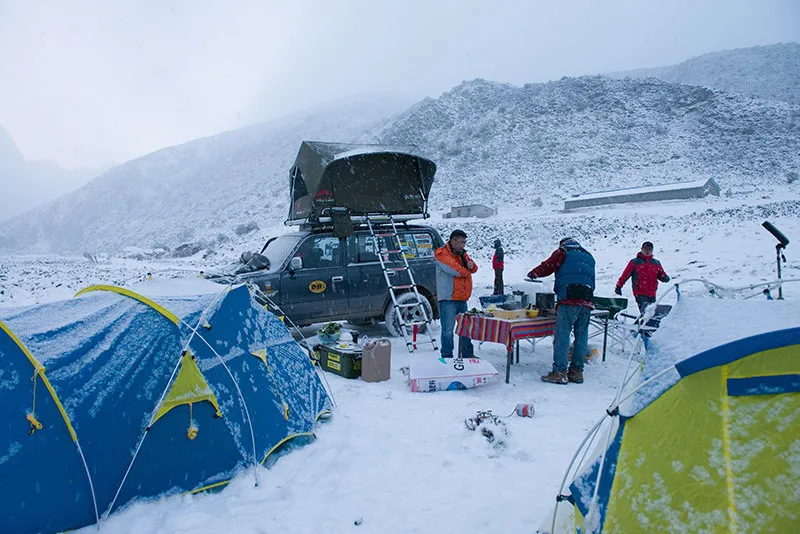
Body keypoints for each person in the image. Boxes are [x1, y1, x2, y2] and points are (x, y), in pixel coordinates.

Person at [527, 237, 595, 385]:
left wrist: (533, 274)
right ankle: (577, 372)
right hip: (587, 299)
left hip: (569, 297)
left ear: (562, 244)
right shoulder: (589, 256)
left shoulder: (563, 252)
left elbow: (548, 266)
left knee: (562, 336)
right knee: (581, 337)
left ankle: (559, 372)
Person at [435, 229, 479, 358]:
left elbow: (474, 268)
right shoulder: (442, 254)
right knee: (448, 330)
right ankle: (447, 356)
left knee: (465, 328)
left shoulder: (462, 254)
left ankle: (467, 354)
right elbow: (456, 270)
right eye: (461, 242)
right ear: (453, 240)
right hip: (448, 298)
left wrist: (471, 266)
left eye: (464, 242)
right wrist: (467, 271)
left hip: (462, 297)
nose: (463, 245)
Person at [615, 241, 670, 315]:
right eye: (645, 249)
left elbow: (661, 275)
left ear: (652, 250)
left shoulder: (656, 263)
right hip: (640, 292)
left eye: (649, 249)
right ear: (641, 249)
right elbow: (625, 275)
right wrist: (619, 286)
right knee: (646, 312)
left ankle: (646, 324)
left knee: (651, 312)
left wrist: (665, 278)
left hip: (652, 292)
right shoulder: (634, 262)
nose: (647, 251)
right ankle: (643, 324)